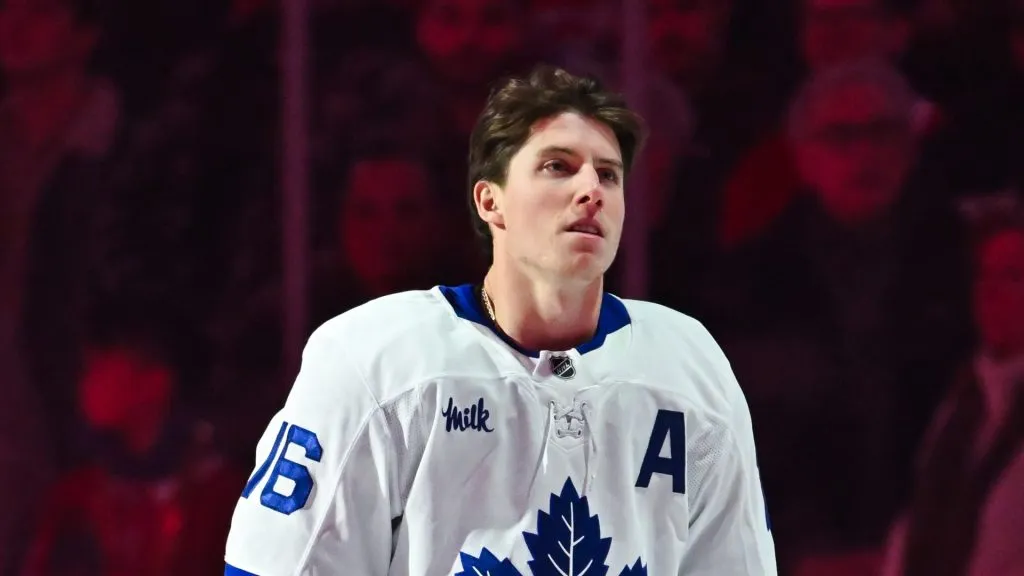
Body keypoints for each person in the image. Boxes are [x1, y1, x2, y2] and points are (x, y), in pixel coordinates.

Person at [223, 65, 776, 575]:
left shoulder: (689, 367)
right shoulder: (376, 361)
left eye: (609, 176)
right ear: (491, 202)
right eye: (557, 166)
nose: (590, 191)